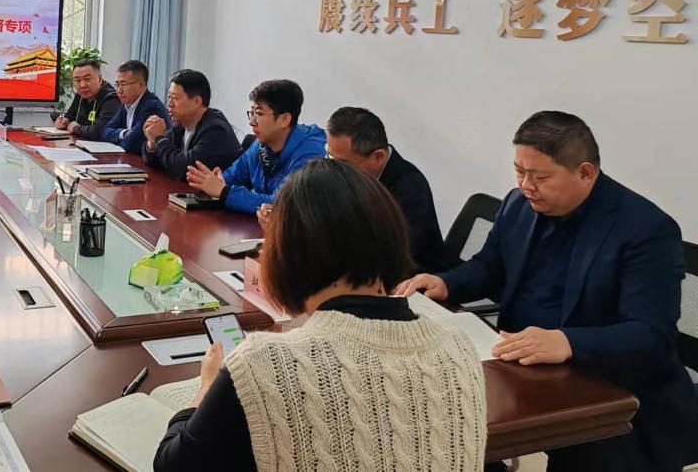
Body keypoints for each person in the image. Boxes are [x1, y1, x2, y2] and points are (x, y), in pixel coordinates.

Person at [395, 111, 698, 471]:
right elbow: (490, 266)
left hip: (612, 395)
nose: (526, 186)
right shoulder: (518, 205)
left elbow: (651, 334)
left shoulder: (645, 230)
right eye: (519, 172)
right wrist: (446, 282)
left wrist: (567, 341)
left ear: (586, 173)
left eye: (540, 177)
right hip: (524, 370)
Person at [154, 159, 486, 471]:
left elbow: (173, 465)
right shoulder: (459, 348)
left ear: (287, 254)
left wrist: (207, 386)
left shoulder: (265, 363)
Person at [326, 107, 451, 273]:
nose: (332, 168)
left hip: (409, 278)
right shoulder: (344, 173)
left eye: (343, 163)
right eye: (329, 156)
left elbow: (394, 258)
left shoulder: (410, 188)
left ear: (378, 157)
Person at [186, 80, 324, 215]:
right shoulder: (260, 145)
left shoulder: (310, 155)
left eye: (259, 114)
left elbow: (282, 205)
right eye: (251, 113)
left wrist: (224, 192)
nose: (252, 122)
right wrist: (214, 181)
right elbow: (235, 175)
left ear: (284, 119)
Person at [141, 69, 241, 180]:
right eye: (169, 97)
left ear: (197, 101)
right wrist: (152, 142)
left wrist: (159, 139)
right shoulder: (181, 123)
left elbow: (185, 169)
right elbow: (161, 160)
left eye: (175, 98)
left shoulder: (216, 130)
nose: (169, 104)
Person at [99, 60, 170, 154]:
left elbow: (130, 145)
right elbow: (104, 132)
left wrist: (120, 139)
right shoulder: (126, 104)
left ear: (141, 85)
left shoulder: (151, 106)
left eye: (123, 84)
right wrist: (124, 133)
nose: (119, 90)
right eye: (117, 85)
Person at [55, 58, 120, 141]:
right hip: (80, 144)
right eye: (77, 80)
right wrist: (63, 121)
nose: (82, 85)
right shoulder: (80, 95)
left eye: (87, 79)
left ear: (100, 79)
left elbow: (100, 131)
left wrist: (75, 128)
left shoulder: (111, 98)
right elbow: (69, 117)